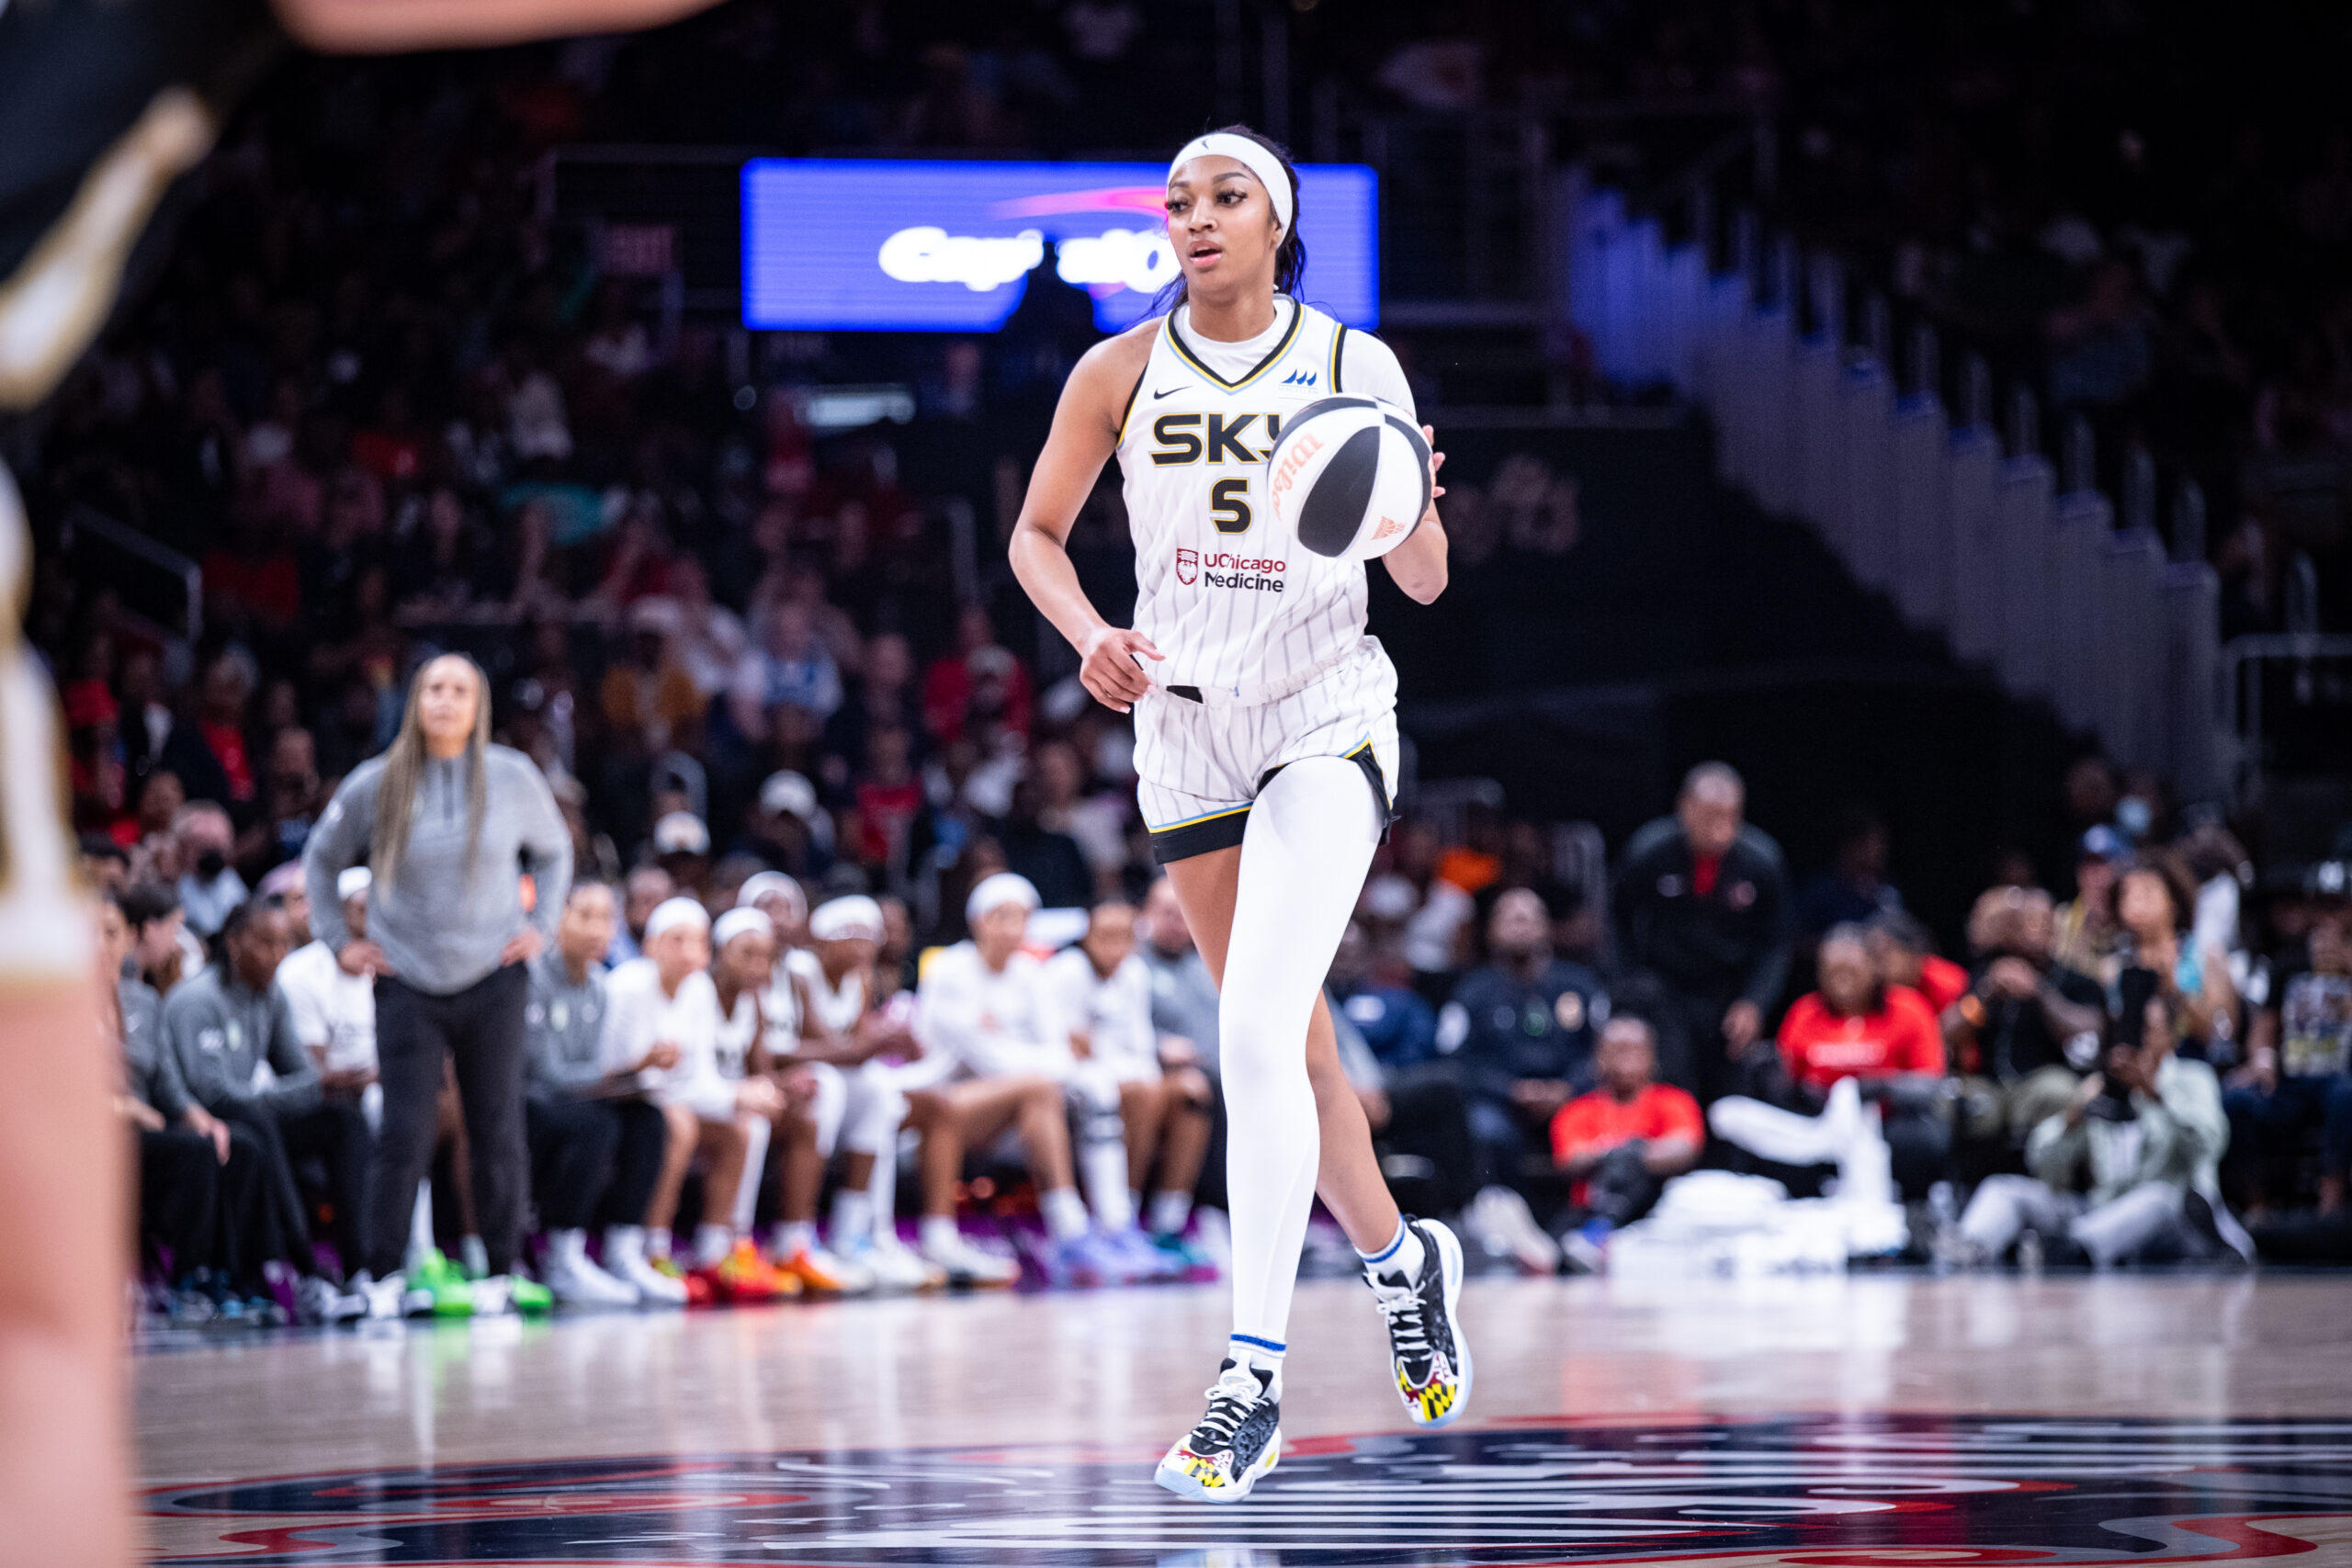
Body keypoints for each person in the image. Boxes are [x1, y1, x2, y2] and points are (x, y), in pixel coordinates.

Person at [1006, 125, 1466, 1502]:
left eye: (1226, 197)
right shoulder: (1117, 370)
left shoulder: (1352, 364)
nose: (1196, 217)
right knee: (1295, 1055)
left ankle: (1249, 1382)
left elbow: (1430, 583)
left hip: (1324, 712)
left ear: (1278, 223)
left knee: (1252, 1032)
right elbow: (1035, 535)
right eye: (1177, 202)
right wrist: (1089, 632)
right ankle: (1404, 1263)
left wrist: (1409, 502)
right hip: (1186, 729)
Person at [303, 652, 574, 1318]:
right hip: (407, 978)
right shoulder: (377, 781)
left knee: (497, 1127)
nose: (445, 701)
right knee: (404, 1132)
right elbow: (321, 858)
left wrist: (541, 925)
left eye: (459, 690)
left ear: (479, 705)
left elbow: (555, 850)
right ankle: (382, 1275)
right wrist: (339, 939)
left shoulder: (512, 776)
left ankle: (501, 1271)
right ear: (415, 701)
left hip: (494, 974)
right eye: (433, 689)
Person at [162, 900, 372, 1314]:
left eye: (284, 944)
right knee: (257, 1121)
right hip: (197, 1122)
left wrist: (314, 1086)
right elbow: (214, 1094)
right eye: (267, 943)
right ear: (234, 943)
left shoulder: (270, 995)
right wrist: (311, 1086)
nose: (278, 955)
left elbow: (303, 1075)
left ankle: (359, 1269)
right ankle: (306, 1271)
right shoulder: (199, 1000)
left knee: (342, 1121)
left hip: (251, 1116)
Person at [908, 874, 1114, 1284]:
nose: (1012, 927)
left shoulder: (1030, 972)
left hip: (1004, 1110)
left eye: (1021, 918)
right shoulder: (948, 969)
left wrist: (1006, 1045)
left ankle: (1079, 1233)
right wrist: (1028, 1058)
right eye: (1001, 916)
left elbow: (1060, 1055)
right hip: (938, 1099)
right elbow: (986, 1059)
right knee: (1038, 1088)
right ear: (978, 921)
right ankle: (1068, 1226)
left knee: (1041, 1093)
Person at [1956, 982, 2245, 1267]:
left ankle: (2067, 1248)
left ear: (2170, 1036)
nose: (2134, 1039)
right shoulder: (2105, 1086)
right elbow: (2040, 1162)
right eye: (2127, 1029)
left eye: (2146, 1029)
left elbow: (2209, 1146)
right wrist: (2073, 1117)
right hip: (2100, 1210)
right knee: (2002, 1189)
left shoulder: (2192, 1078)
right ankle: (1967, 1247)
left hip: (2175, 1219)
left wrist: (2155, 1093)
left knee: (2155, 1198)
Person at [103, 891, 280, 1312]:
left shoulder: (144, 1000)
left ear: (128, 938)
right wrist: (126, 1108)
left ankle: (240, 1276)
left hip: (149, 1129)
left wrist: (198, 1116)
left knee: (236, 1143)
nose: (99, 944)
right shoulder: (62, 1005)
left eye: (109, 933)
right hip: (100, 1134)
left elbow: (167, 1080)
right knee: (194, 1153)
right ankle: (190, 1275)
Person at [607, 897, 790, 1302]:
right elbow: (614, 1071)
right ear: (651, 944)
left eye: (698, 942)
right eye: (677, 940)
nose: (689, 952)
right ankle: (652, 1251)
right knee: (679, 1123)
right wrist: (738, 1092)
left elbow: (699, 1077)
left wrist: (742, 1095)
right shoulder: (628, 985)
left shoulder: (699, 988)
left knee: (738, 1130)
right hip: (617, 1100)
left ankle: (713, 1251)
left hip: (668, 1099)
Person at [775, 895, 944, 1291]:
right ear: (823, 940)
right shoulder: (801, 972)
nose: (862, 946)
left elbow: (858, 1047)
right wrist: (874, 1044)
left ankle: (853, 1236)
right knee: (827, 1087)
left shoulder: (862, 977)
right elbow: (825, 1045)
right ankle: (795, 1240)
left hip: (838, 1077)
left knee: (882, 1091)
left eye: (869, 937)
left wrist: (889, 1043)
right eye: (850, 936)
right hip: (797, 1078)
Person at [522, 879, 676, 1306]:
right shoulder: (533, 977)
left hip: (575, 1100)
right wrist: (628, 1069)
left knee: (648, 1118)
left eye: (607, 918)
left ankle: (622, 1252)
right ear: (557, 919)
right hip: (528, 1103)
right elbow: (548, 1074)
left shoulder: (598, 985)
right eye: (585, 915)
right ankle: (561, 1259)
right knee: (595, 1125)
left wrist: (630, 1080)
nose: (598, 929)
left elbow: (589, 1072)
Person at [1435, 887, 1608, 1271]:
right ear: (1491, 931)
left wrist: (1568, 1088)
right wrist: (1510, 1090)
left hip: (1571, 1096)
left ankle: (1585, 1231)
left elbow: (1602, 1050)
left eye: (1528, 916)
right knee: (1485, 1131)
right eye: (1508, 917)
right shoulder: (1472, 992)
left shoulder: (1579, 985)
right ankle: (1510, 1233)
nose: (1519, 924)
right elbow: (1456, 1060)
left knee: (1603, 1130)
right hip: (1501, 1101)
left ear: (1547, 927)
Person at [1718, 923, 1950, 1202]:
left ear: (1875, 967)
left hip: (1887, 1125)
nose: (1842, 981)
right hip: (1818, 1126)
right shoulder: (1805, 1013)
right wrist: (1790, 1087)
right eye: (1832, 971)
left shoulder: (1909, 1009)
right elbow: (1786, 1082)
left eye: (1851, 970)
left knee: (1922, 1139)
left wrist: (1875, 1088)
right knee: (1730, 1115)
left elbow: (1931, 1085)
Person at [1045, 899, 1216, 1264]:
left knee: (1191, 1092)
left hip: (1125, 1075)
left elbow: (1139, 1045)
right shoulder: (1066, 972)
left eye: (1123, 937)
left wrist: (1129, 1068)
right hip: (1075, 1084)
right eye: (1105, 936)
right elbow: (1068, 1049)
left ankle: (1167, 1225)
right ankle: (1120, 1221)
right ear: (1087, 937)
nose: (1114, 946)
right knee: (1142, 1092)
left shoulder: (1135, 973)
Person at [1611, 762, 1792, 1103]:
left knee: (1733, 1090)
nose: (1721, 829)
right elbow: (1616, 918)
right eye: (1711, 816)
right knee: (1675, 1080)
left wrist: (1755, 1001)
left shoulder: (1762, 861)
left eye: (1731, 817)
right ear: (1685, 807)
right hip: (1667, 987)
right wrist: (1628, 984)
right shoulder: (1649, 850)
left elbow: (1776, 941)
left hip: (1729, 989)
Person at [1946, 885, 2104, 1153]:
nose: (2034, 931)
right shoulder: (1988, 975)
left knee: (2059, 1092)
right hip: (1992, 1085)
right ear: (2010, 930)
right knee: (1949, 1100)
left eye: (2042, 923)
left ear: (2054, 929)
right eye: (2026, 923)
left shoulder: (2075, 981)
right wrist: (1986, 994)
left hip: (2043, 1080)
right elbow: (1947, 1032)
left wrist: (2040, 992)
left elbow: (2090, 1031)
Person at [2225, 904, 2352, 1218]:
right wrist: (2262, 1062)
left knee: (2345, 1096)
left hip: (2340, 1078)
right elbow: (2264, 1027)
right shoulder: (2288, 965)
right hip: (2291, 1079)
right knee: (2237, 1100)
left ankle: (2329, 1206)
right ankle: (2258, 1207)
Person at [1549, 1016, 1703, 1270]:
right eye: (1616, 1050)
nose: (1625, 1059)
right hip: (1590, 1207)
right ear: (1598, 1056)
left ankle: (1600, 1237)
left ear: (1651, 1055)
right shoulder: (1577, 1110)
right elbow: (1570, 1159)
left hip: (1652, 1210)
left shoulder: (1674, 1101)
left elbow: (1685, 1147)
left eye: (1633, 1049)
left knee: (1631, 1162)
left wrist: (1633, 1152)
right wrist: (1610, 1155)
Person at [275, 866, 382, 1131]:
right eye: (362, 909)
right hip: (337, 1095)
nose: (373, 919)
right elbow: (314, 1072)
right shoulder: (300, 972)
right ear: (339, 912)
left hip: (387, 1079)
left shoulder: (396, 963)